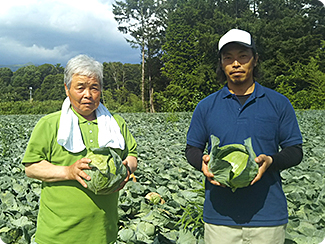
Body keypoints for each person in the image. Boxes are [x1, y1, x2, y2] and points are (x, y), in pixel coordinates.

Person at [185, 29, 303, 244]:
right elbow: (192, 148)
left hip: (268, 217)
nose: (236, 63)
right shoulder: (206, 106)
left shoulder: (278, 103)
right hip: (219, 218)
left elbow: (295, 151)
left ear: (255, 60)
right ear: (221, 63)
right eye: (228, 58)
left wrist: (271, 161)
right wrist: (201, 163)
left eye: (243, 56)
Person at [22, 54, 138, 244]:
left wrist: (126, 170)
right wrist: (69, 171)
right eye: (80, 87)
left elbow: (132, 154)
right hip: (57, 236)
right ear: (67, 89)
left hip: (103, 234)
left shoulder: (115, 123)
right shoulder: (50, 124)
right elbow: (31, 167)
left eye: (94, 87)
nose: (88, 94)